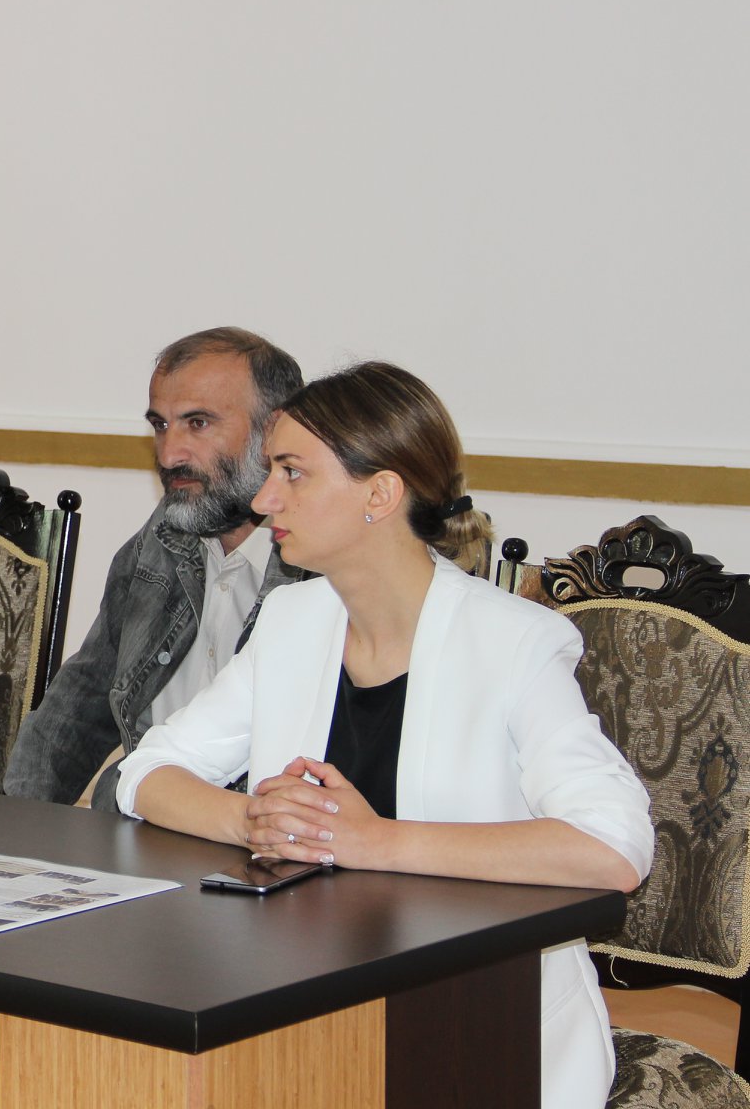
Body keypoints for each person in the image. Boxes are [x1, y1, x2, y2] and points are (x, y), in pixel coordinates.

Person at [115, 361, 652, 1109]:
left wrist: (374, 841)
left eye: (293, 473)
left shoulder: (514, 642)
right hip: (309, 1002)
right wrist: (253, 819)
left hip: (482, 1027)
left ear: (380, 494)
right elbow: (147, 772)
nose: (265, 498)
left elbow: (613, 846)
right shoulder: (293, 622)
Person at [5, 328, 309, 808]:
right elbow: (80, 705)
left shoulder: (320, 568)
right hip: (147, 822)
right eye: (161, 425)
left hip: (262, 831)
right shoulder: (163, 537)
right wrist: (21, 824)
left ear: (274, 432)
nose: (169, 455)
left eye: (198, 423)